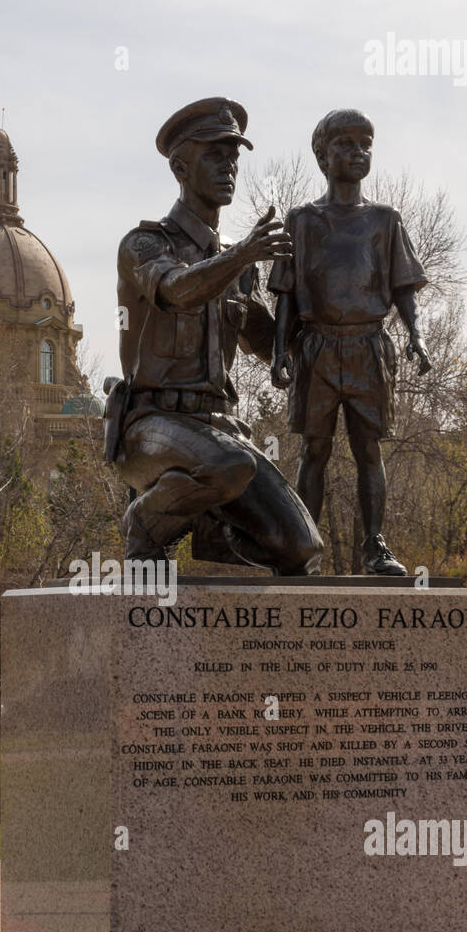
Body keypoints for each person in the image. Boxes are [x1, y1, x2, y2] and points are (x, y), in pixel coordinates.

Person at [106, 97, 322, 574]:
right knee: (229, 465)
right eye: (214, 155)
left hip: (220, 433)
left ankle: (214, 530)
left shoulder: (238, 263)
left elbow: (268, 342)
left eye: (233, 157)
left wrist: (326, 316)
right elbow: (177, 291)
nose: (229, 167)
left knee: (301, 549)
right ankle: (144, 526)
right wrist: (242, 255)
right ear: (180, 168)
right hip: (151, 427)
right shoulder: (144, 245)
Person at [268, 108, 430, 575]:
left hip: (368, 347)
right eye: (346, 144)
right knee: (314, 450)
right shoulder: (302, 220)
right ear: (323, 156)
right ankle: (302, 547)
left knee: (368, 450)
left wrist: (416, 335)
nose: (358, 152)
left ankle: (375, 545)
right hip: (316, 348)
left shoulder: (385, 220)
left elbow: (403, 288)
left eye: (365, 145)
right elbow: (285, 294)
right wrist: (279, 351)